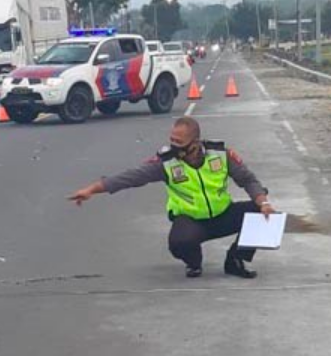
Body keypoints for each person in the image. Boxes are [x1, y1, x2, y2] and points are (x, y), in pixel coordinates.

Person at [69, 117, 276, 279]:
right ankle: (194, 263)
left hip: (223, 214)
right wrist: (93, 189)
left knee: (266, 216)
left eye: (180, 143)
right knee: (179, 243)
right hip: (192, 221)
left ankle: (235, 261)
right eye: (172, 141)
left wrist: (263, 203)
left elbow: (248, 180)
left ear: (195, 143)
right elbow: (130, 177)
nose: (175, 146)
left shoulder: (221, 155)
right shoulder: (166, 163)